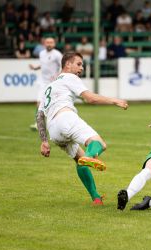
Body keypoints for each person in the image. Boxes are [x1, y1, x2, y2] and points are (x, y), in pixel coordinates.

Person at [36, 52, 128, 205]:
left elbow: (39, 115)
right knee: (99, 143)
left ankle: (96, 198)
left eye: (82, 65)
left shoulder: (48, 88)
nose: (81, 68)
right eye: (78, 64)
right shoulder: (70, 77)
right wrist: (114, 100)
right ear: (67, 65)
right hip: (65, 117)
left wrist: (44, 141)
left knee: (80, 159)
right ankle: (90, 156)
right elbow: (89, 98)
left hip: (53, 130)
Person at [29, 37, 62, 130]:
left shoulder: (57, 54)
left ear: (54, 44)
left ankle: (57, 124)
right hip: (43, 82)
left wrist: (58, 76)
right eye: (47, 42)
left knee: (54, 105)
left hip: (53, 84)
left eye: (51, 42)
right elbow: (43, 64)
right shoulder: (42, 53)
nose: (49, 44)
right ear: (44, 44)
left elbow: (63, 66)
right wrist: (35, 68)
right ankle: (38, 124)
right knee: (39, 103)